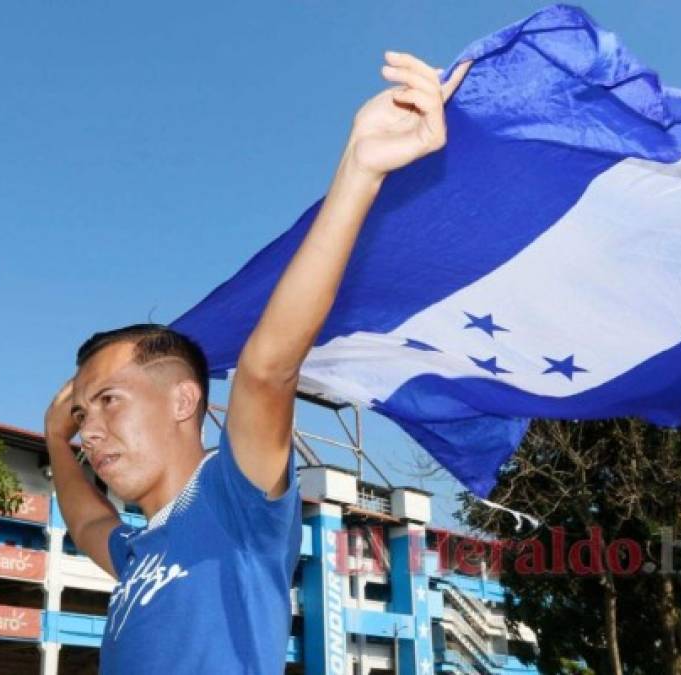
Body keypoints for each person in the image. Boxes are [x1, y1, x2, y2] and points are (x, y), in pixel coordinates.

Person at [43, 52, 471, 674]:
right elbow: (85, 521)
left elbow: (267, 368)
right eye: (84, 414)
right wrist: (58, 436)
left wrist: (360, 170)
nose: (92, 429)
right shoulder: (138, 551)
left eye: (108, 400)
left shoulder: (235, 497)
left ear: (185, 399)